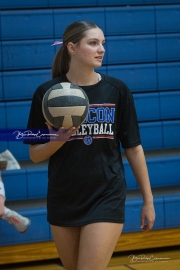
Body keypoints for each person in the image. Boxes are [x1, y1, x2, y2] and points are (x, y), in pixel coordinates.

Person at [24, 21, 155, 270]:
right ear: (72, 48)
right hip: (64, 197)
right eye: (93, 43)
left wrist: (148, 201)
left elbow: (134, 148)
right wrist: (58, 139)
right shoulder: (46, 94)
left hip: (106, 194)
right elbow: (34, 154)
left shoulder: (117, 90)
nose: (101, 49)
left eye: (103, 43)